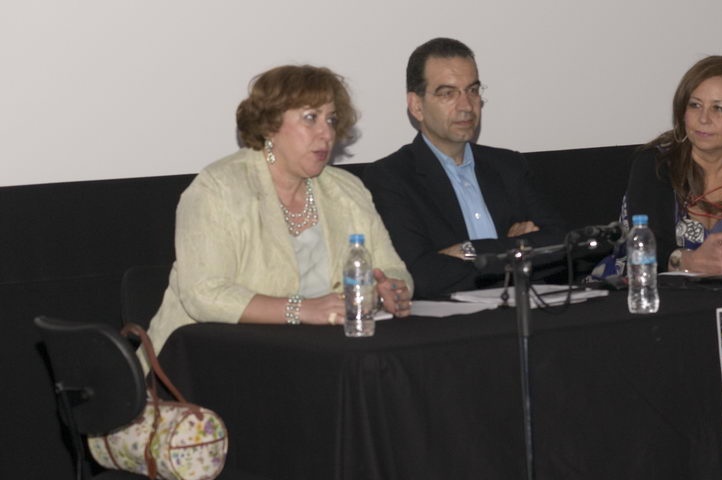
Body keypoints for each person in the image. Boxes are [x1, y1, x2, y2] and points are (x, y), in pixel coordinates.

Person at [147, 65, 413, 356]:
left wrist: (390, 290)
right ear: (270, 126)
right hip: (206, 359)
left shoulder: (348, 190)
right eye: (311, 118)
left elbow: (393, 269)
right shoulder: (218, 188)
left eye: (331, 119)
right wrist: (301, 309)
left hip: (317, 353)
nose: (326, 133)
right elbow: (203, 293)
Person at [362, 37, 567, 299]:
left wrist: (467, 251)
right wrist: (516, 248)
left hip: (523, 309)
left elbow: (561, 245)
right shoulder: (390, 177)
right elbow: (421, 275)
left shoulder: (508, 165)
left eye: (472, 91)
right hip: (453, 320)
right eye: (448, 93)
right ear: (416, 106)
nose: (466, 106)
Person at [593, 55, 722, 279]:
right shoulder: (655, 163)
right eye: (695, 105)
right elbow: (646, 247)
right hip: (644, 289)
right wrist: (690, 262)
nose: (704, 119)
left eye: (719, 108)